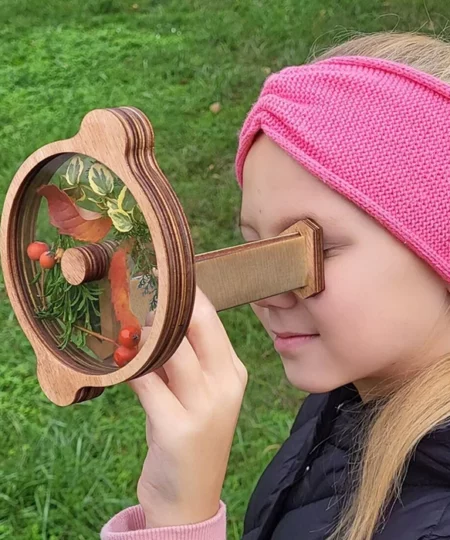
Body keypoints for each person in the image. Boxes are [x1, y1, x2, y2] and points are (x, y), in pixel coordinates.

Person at [100, 31, 450, 539]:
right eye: (254, 244)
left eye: (317, 248)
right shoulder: (355, 397)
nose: (268, 293)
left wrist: (181, 519)